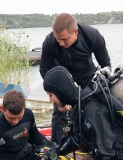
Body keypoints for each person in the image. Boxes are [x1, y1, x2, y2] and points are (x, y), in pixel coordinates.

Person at [40, 13, 111, 144]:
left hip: (87, 73)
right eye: (58, 39)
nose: (61, 43)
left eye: (65, 39)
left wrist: (103, 88)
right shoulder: (50, 41)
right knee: (60, 111)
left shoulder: (92, 35)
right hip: (61, 78)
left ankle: (96, 141)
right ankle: (59, 146)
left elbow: (106, 66)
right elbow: (45, 72)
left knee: (95, 105)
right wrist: (56, 96)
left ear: (76, 32)